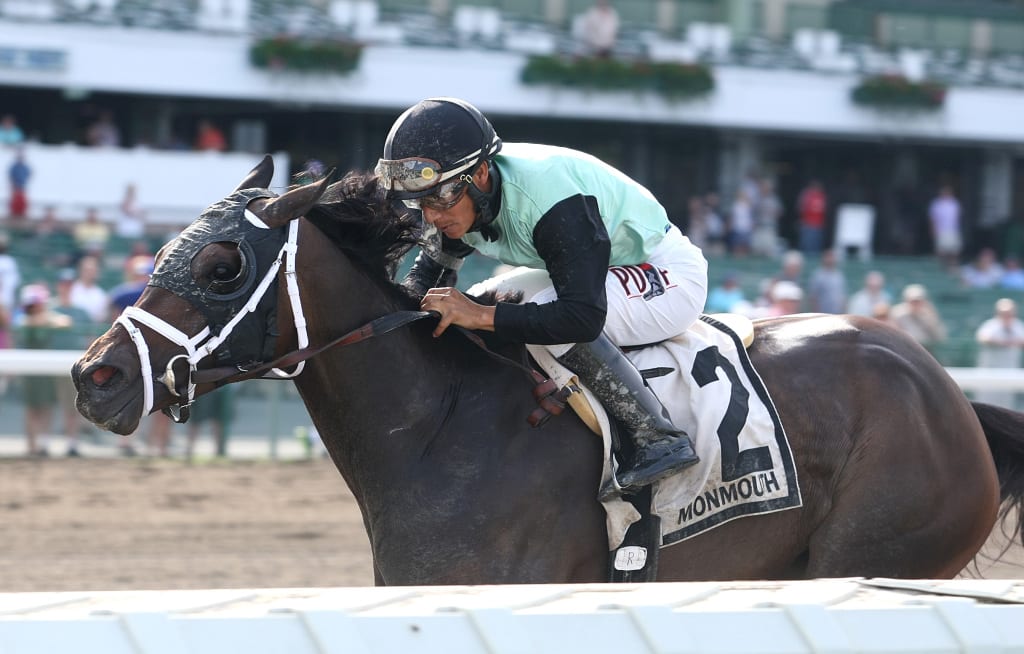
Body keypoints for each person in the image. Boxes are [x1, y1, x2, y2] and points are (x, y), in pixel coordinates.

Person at [378, 97, 706, 496]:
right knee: (482, 295)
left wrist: (481, 316)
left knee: (513, 313)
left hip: (665, 274)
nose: (430, 216)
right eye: (419, 201)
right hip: (600, 270)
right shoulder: (460, 194)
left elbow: (581, 317)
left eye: (439, 198)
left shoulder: (552, 199)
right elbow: (427, 285)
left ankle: (656, 437)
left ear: (480, 174)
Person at [15, 283, 72, 457]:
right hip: (29, 369)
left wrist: (47, 317)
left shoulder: (46, 316)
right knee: (32, 408)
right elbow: (26, 321)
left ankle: (43, 444)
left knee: (47, 406)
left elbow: (65, 322)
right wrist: (46, 317)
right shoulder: (23, 317)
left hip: (45, 368)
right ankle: (31, 445)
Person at [52, 269, 94, 456]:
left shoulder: (81, 312)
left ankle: (71, 442)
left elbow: (91, 339)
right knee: (44, 404)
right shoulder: (48, 308)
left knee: (71, 406)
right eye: (63, 283)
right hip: (49, 362)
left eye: (69, 284)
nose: (66, 287)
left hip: (72, 365)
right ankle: (42, 442)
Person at [974, 298, 1024, 408]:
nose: (1007, 315)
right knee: (986, 403)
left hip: (1010, 370)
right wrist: (1003, 343)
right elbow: (983, 338)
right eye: (1004, 312)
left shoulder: (1018, 326)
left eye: (1009, 312)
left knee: (1006, 405)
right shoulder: (991, 325)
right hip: (989, 371)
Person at [891, 284, 947, 351]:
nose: (915, 304)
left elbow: (940, 337)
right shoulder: (897, 313)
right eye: (913, 301)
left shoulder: (929, 313)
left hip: (926, 349)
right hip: (903, 348)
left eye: (918, 301)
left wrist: (929, 319)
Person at [929, 184, 961, 271]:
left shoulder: (954, 203)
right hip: (941, 231)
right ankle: (940, 267)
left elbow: (957, 218)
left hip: (953, 231)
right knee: (941, 250)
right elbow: (933, 218)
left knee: (954, 250)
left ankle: (952, 267)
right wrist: (934, 230)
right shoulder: (936, 204)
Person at [806, 248, 846, 314]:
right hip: (823, 314)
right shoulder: (818, 275)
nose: (830, 259)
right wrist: (816, 314)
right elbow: (813, 297)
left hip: (837, 314)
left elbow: (842, 296)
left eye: (832, 257)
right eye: (828, 257)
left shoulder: (839, 275)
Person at [751, 179, 782, 257]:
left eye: (766, 187)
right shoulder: (756, 198)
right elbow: (751, 211)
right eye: (763, 187)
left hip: (769, 227)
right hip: (758, 227)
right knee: (756, 251)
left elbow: (779, 212)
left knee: (769, 251)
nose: (764, 189)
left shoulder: (774, 199)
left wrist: (772, 212)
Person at [797, 179, 827, 255]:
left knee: (816, 245)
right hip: (808, 224)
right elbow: (801, 208)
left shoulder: (821, 196)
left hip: (818, 225)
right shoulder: (806, 195)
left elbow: (824, 209)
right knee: (807, 245)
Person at [8, 148, 31, 220]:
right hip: (15, 187)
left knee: (22, 203)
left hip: (22, 187)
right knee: (15, 203)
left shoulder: (25, 167)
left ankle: (22, 215)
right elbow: (11, 176)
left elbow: (27, 175)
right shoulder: (14, 167)